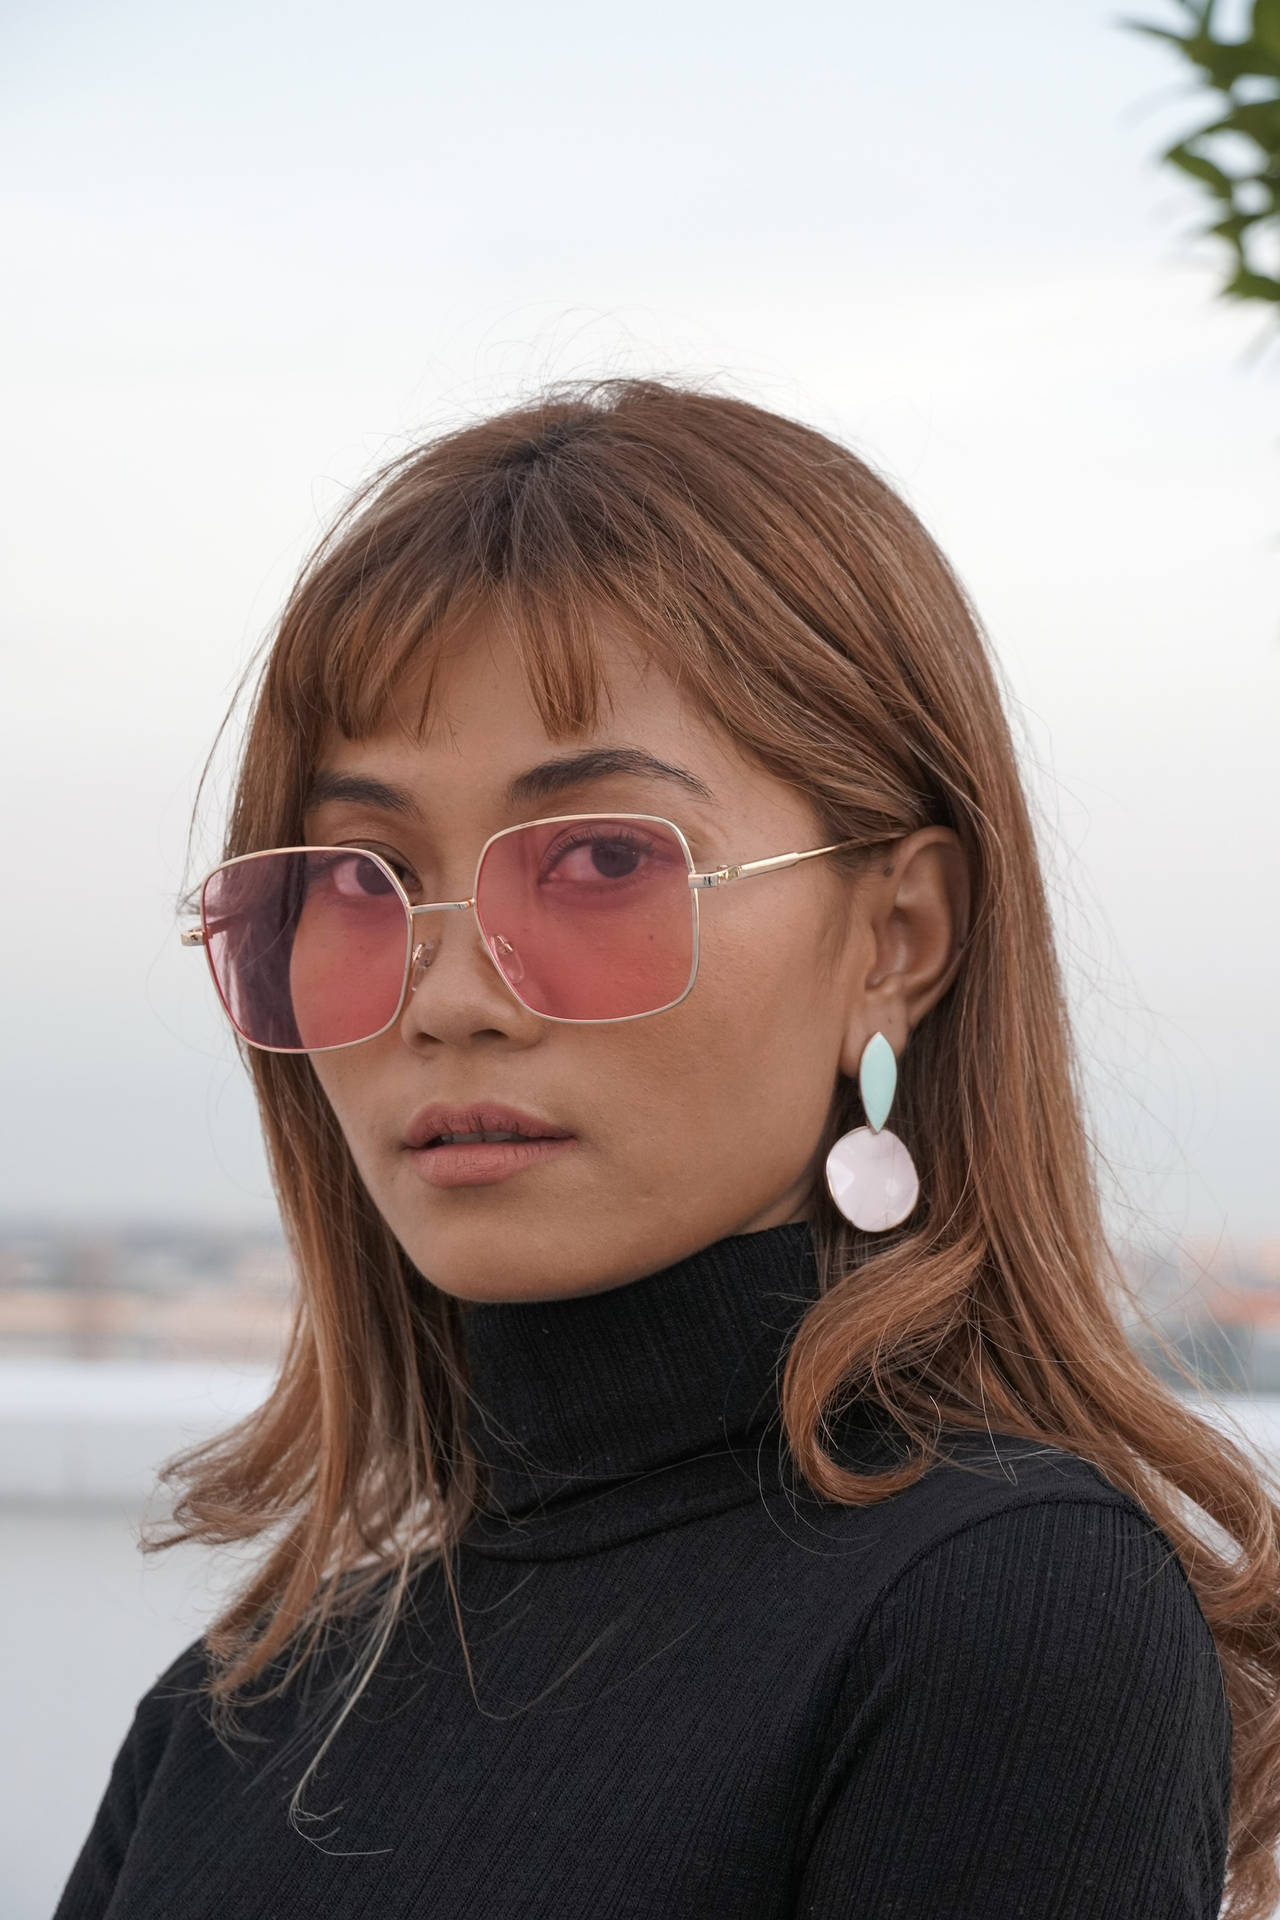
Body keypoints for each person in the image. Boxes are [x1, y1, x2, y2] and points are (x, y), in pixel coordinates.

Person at [54, 379, 1279, 1920]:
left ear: (898, 936)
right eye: (361, 880)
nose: (447, 996)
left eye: (602, 858)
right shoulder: (242, 1706)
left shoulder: (1005, 1611)